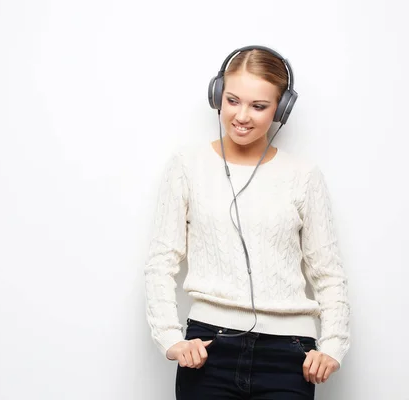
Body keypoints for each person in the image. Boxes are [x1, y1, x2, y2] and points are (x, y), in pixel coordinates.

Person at [143, 45, 350, 400]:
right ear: (217, 96)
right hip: (208, 350)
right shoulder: (186, 165)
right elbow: (161, 262)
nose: (242, 115)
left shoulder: (304, 176)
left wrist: (332, 345)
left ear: (281, 109)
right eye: (233, 100)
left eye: (259, 106)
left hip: (290, 355)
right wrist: (170, 337)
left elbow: (328, 273)